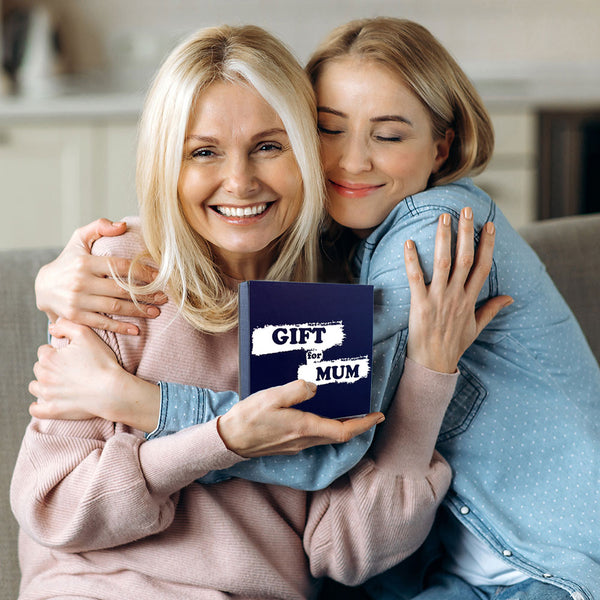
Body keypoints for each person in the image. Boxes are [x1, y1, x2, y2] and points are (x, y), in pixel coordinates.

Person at [33, 16, 600, 600]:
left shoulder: (407, 250)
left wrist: (146, 405)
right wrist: (47, 282)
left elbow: (335, 468)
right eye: (331, 130)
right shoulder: (118, 274)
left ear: (442, 143)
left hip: (540, 561)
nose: (352, 162)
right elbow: (53, 505)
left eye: (269, 146)